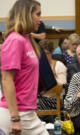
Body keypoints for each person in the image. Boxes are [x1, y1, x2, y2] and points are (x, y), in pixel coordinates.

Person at [0, 0, 49, 135]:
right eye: (37, 14)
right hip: (16, 114)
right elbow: (6, 79)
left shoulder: (26, 39)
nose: (41, 19)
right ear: (26, 15)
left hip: (27, 112)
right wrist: (15, 118)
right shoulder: (15, 39)